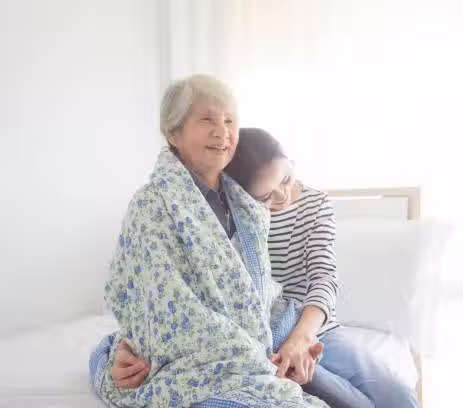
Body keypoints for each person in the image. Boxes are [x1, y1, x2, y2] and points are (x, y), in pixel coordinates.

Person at [97, 126, 420, 408]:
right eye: (267, 195)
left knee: (395, 395)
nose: (283, 195)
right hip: (255, 339)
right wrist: (132, 347)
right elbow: (171, 294)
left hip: (312, 328)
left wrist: (300, 339)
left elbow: (323, 278)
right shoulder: (232, 218)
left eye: (287, 178)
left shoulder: (314, 204)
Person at [93, 74, 327, 408]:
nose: (222, 132)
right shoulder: (151, 205)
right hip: (213, 356)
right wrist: (248, 354)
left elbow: (258, 290)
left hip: (269, 339)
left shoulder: (244, 198)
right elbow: (161, 304)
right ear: (173, 133)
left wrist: (287, 342)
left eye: (229, 121)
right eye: (207, 120)